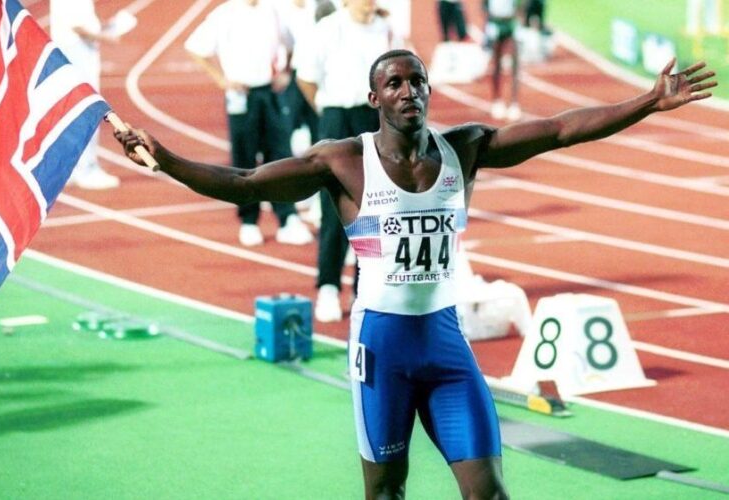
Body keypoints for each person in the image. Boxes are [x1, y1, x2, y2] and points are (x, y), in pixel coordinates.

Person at [114, 49, 716, 499]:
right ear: (374, 98)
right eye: (394, 83)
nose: (409, 92)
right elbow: (245, 182)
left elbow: (559, 130)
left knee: (489, 493)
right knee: (386, 493)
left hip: (446, 346)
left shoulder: (465, 149)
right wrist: (165, 159)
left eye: (417, 81)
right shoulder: (343, 162)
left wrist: (646, 101)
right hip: (382, 348)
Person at [296, 0, 402, 322]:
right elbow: (306, 77)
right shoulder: (327, 29)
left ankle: (365, 288)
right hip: (336, 116)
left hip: (373, 119)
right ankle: (328, 287)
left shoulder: (386, 29)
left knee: (374, 205)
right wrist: (327, 113)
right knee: (334, 207)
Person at [184, 0, 314, 247]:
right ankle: (249, 220)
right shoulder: (224, 14)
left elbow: (294, 43)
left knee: (280, 156)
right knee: (244, 158)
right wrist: (221, 79)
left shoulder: (275, 9)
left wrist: (285, 71)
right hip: (240, 94)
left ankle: (287, 218)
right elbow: (195, 47)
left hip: (271, 92)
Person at [50, 0, 122, 190]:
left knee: (75, 110)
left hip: (76, 51)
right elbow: (78, 27)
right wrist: (107, 38)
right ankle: (86, 169)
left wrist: (105, 27)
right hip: (77, 52)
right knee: (87, 108)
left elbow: (79, 21)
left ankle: (73, 168)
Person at [484, 0, 522, 121]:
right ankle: (497, 100)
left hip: (512, 23)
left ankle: (514, 103)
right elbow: (484, 5)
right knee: (496, 64)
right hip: (495, 23)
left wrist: (518, 14)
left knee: (515, 65)